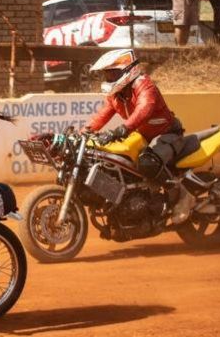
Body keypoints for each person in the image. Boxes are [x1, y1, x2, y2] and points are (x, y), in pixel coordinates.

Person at [83, 48, 195, 223]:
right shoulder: (116, 96)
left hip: (167, 133)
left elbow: (145, 108)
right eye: (107, 75)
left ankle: (182, 194)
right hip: (143, 136)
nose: (109, 79)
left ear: (128, 70)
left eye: (113, 74)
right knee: (119, 162)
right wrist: (84, 132)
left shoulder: (143, 85)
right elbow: (101, 115)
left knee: (147, 162)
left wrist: (122, 129)